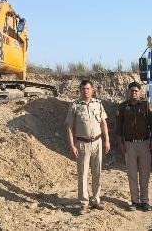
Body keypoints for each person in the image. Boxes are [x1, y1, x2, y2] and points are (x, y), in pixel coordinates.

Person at [66, 79, 110, 214]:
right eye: (83, 89)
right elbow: (69, 127)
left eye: (88, 88)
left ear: (92, 90)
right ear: (80, 90)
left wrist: (106, 140)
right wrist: (72, 145)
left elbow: (103, 123)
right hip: (82, 144)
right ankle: (84, 203)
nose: (86, 91)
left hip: (97, 142)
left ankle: (96, 200)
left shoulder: (98, 104)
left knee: (97, 173)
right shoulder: (75, 105)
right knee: (83, 174)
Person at [116, 82, 152, 211]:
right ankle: (134, 201)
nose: (134, 93)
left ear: (140, 92)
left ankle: (144, 201)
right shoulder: (122, 107)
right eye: (131, 91)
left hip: (144, 144)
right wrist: (120, 144)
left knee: (145, 173)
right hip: (129, 144)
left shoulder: (145, 106)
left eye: (136, 91)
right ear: (128, 92)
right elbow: (118, 128)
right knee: (132, 173)